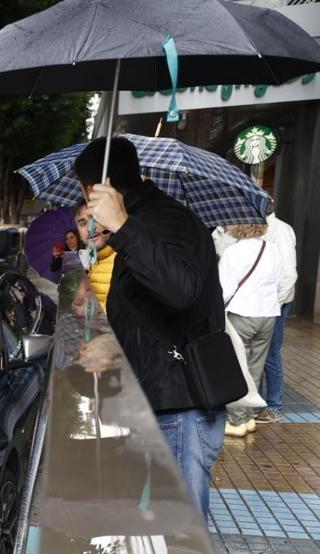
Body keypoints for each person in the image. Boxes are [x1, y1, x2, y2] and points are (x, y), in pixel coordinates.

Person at [75, 135, 226, 517]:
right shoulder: (145, 221)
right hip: (159, 399)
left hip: (180, 406)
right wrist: (112, 346)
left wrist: (123, 225)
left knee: (178, 538)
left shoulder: (163, 220)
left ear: (95, 190)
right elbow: (151, 309)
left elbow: (180, 292)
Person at [219, 223, 285, 437]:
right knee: (255, 367)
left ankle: (236, 421)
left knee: (237, 367)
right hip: (268, 315)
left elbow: (223, 288)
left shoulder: (233, 252)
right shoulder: (272, 249)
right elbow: (279, 282)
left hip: (242, 313)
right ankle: (247, 418)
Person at [256, 211, 297, 424]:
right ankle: (259, 404)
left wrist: (275, 303)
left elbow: (290, 274)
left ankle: (274, 406)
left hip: (275, 304)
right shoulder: (260, 229)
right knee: (259, 354)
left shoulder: (280, 230)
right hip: (262, 303)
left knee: (271, 354)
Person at [73, 200, 116, 310]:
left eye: (95, 219)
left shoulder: (128, 260)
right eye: (83, 224)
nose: (90, 229)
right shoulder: (87, 262)